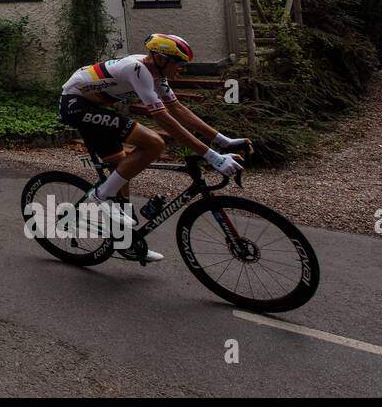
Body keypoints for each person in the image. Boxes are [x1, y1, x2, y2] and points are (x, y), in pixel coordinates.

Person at [58, 33, 250, 263]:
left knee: (122, 168)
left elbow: (177, 109)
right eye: (179, 63)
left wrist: (223, 141)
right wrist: (212, 157)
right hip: (75, 105)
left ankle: (125, 241)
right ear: (160, 58)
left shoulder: (157, 74)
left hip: (95, 107)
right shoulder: (136, 69)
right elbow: (164, 119)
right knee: (153, 143)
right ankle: (100, 196)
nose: (182, 69)